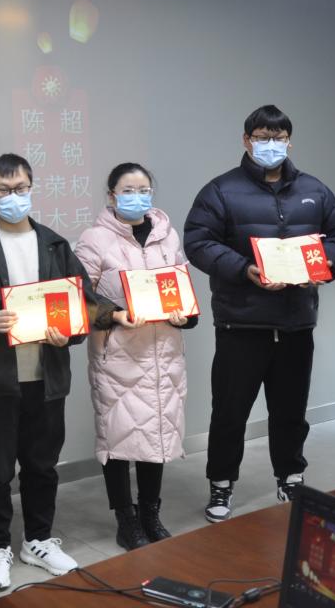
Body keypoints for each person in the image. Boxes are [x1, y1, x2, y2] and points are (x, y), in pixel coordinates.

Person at [0, 153, 133, 590]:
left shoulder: (54, 244)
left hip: (46, 376)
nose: (13, 197)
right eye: (3, 190)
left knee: (42, 465)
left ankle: (38, 540)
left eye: (20, 188)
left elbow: (82, 301)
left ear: (32, 188)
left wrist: (69, 333)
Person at [184, 105, 335, 523]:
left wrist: (325, 265)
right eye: (262, 137)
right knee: (230, 412)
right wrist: (245, 270)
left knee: (291, 411)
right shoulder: (221, 190)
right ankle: (221, 484)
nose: (271, 144)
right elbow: (198, 242)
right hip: (241, 323)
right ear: (247, 140)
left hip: (296, 322)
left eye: (278, 137)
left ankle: (291, 476)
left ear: (289, 142)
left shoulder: (314, 190)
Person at [74, 162, 198, 550]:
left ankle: (150, 513)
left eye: (143, 190)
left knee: (155, 434)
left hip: (164, 353)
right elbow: (80, 297)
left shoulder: (166, 235)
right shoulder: (94, 240)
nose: (136, 197)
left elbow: (182, 287)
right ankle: (125, 520)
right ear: (111, 195)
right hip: (119, 356)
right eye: (127, 190)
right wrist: (113, 315)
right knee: (117, 439)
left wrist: (185, 315)